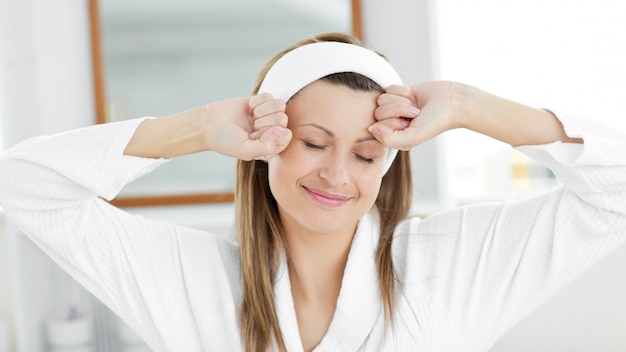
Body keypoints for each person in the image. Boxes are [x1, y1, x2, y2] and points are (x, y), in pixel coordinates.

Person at [0, 32, 625, 352]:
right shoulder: (190, 279)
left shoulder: (451, 263)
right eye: (313, 142)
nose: (336, 176)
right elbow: (21, 183)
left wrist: (471, 106)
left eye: (365, 153)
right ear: (263, 142)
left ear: (390, 164)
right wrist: (193, 129)